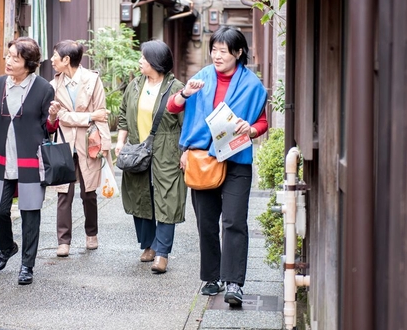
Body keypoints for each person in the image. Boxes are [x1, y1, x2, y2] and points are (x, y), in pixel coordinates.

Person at [167, 26, 268, 305]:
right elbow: (172, 108)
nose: (217, 55)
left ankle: (234, 282)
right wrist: (185, 93)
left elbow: (262, 122)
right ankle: (211, 277)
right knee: (207, 223)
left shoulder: (252, 86)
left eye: (223, 51)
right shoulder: (200, 79)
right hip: (202, 159)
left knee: (234, 221)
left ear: (238, 53)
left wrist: (251, 130)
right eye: (214, 50)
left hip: (236, 160)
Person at [0, 37, 56, 285]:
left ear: (28, 64)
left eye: (15, 58)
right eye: (8, 56)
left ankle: (27, 265)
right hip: (2, 158)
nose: (8, 61)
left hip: (31, 159)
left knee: (30, 213)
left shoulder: (43, 88)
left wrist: (53, 116)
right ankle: (7, 247)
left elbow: (49, 128)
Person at [115, 40, 186, 274]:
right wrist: (120, 141)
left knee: (167, 196)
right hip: (137, 145)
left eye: (143, 58)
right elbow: (124, 114)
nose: (139, 61)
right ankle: (148, 245)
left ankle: (163, 253)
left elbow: (186, 124)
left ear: (155, 61)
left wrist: (185, 152)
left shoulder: (176, 88)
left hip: (167, 147)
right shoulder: (135, 85)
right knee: (140, 194)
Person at [47, 40, 111, 257]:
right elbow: (62, 117)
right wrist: (90, 116)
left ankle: (91, 234)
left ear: (66, 60)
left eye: (55, 55)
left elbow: (102, 113)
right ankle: (63, 241)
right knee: (64, 193)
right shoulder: (53, 85)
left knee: (89, 192)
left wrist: (105, 145)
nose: (52, 60)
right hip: (64, 143)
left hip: (88, 143)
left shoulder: (93, 80)